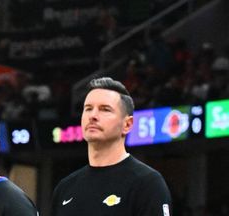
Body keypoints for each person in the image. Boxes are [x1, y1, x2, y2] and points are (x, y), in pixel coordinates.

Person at [51, 77, 173, 216]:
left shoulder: (147, 183)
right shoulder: (65, 188)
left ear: (127, 124)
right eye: (88, 109)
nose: (93, 116)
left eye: (105, 109)